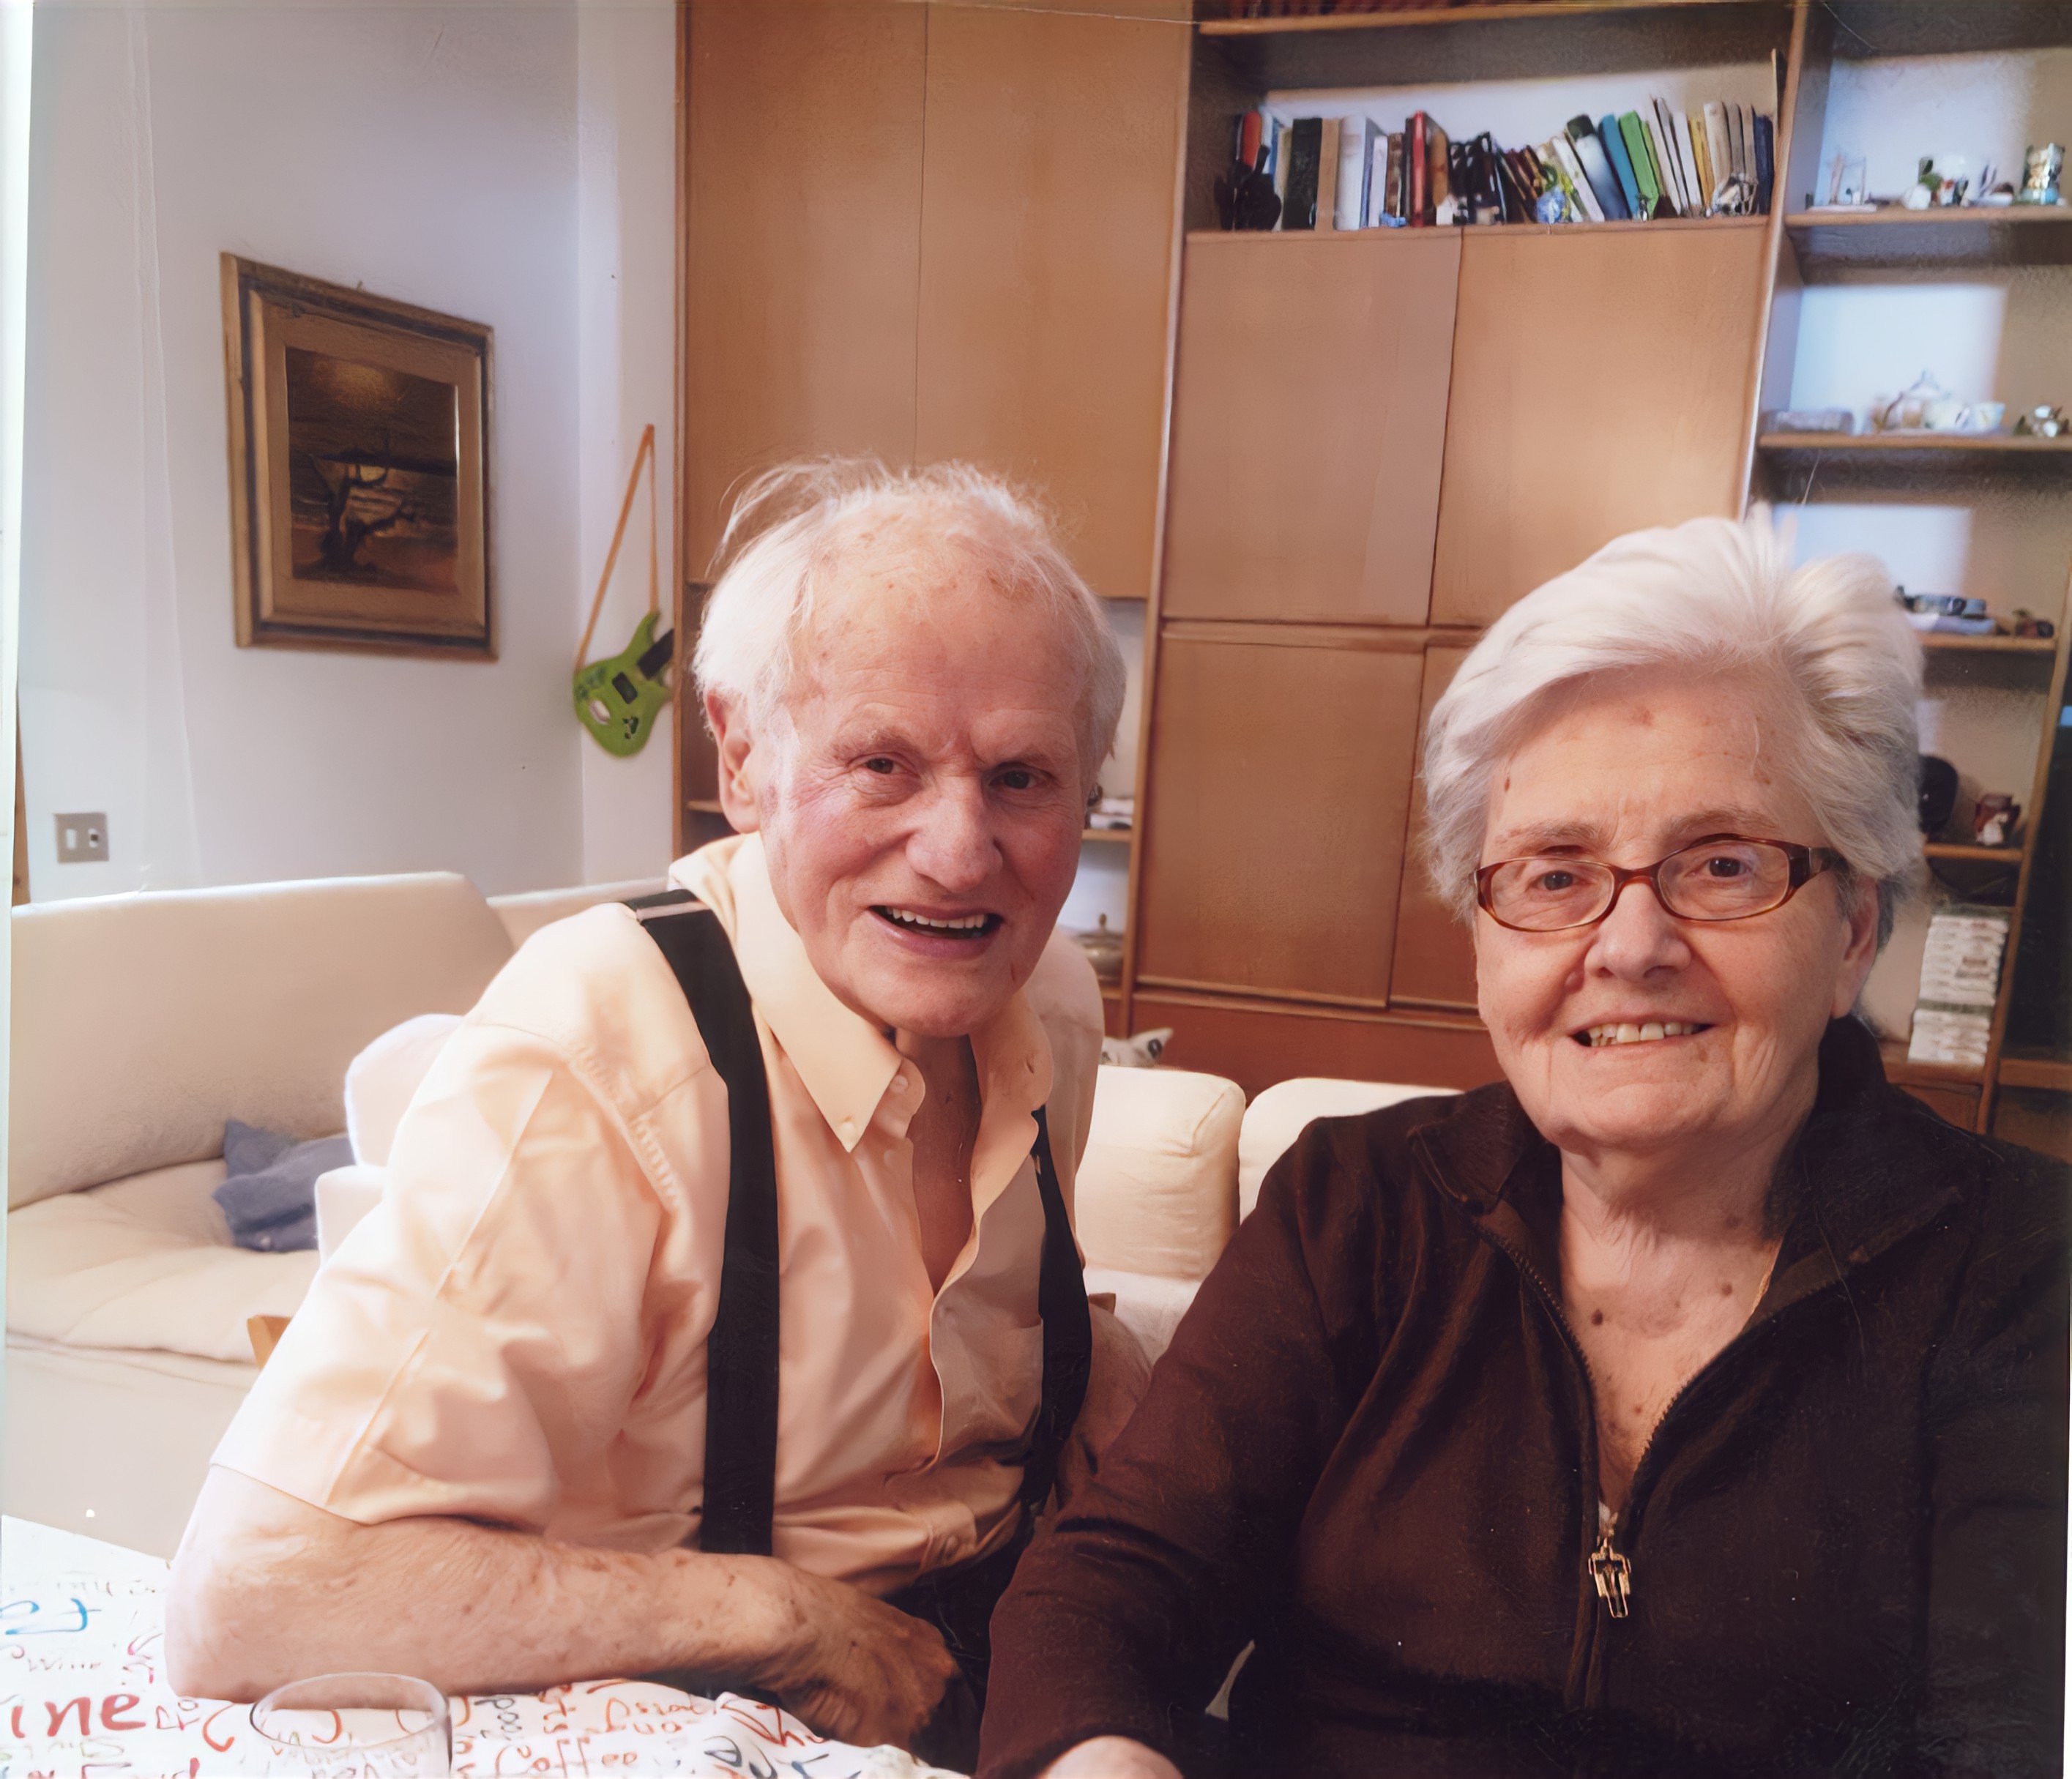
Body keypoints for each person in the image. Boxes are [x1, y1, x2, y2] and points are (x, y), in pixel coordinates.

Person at [980, 513, 2069, 1778]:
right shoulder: (1354, 1204)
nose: (1631, 945)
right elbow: (1111, 1584)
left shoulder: (2019, 1265)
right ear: (1484, 941)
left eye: (1722, 864)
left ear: (1854, 932)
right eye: (1554, 875)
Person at [166, 460, 1150, 1765]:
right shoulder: (599, 1046)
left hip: (1016, 1665)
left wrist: (1096, 1366)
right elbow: (254, 1591)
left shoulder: (1050, 996)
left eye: (1021, 777)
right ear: (742, 759)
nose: (961, 851)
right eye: (881, 763)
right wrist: (780, 1617)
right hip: (720, 1714)